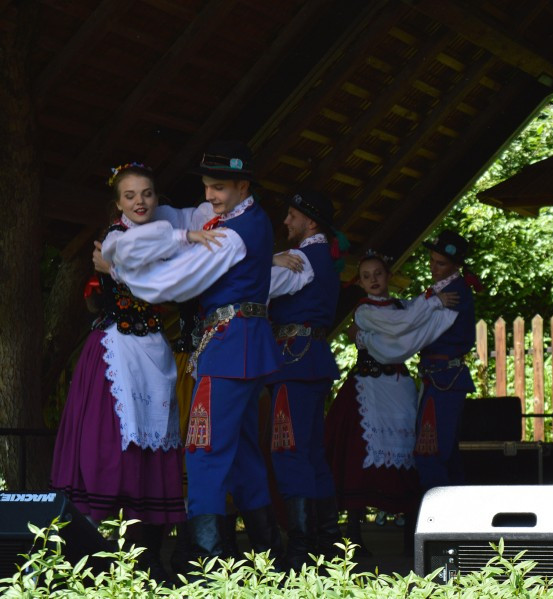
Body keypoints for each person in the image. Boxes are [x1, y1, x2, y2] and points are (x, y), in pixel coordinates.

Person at [107, 141, 284, 562]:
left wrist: (117, 271)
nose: (209, 196)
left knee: (202, 450)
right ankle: (270, 556)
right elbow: (180, 219)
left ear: (243, 185)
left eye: (218, 187)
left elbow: (174, 283)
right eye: (207, 186)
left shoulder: (231, 235)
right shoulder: (246, 220)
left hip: (229, 348)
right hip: (242, 345)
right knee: (241, 454)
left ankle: (207, 561)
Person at [51, 162, 221, 574]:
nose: (139, 202)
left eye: (146, 194)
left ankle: (147, 557)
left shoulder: (154, 236)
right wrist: (188, 236)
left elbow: (177, 272)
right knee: (111, 443)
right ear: (118, 203)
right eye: (130, 196)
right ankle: (83, 557)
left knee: (153, 442)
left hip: (153, 350)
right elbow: (141, 255)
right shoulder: (115, 238)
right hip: (116, 352)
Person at [324, 251, 458, 554]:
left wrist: (441, 301)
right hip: (367, 388)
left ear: (388, 276)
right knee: (359, 453)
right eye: (367, 276)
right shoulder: (365, 311)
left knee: (409, 450)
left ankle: (411, 534)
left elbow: (411, 319)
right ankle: (354, 535)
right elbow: (401, 325)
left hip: (398, 387)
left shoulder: (401, 306)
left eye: (378, 273)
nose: (373, 280)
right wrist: (434, 302)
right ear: (359, 281)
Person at [263, 189, 345, 569]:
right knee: (311, 454)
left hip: (294, 359)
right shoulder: (322, 257)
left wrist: (260, 259)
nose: (285, 222)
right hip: (312, 358)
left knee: (289, 451)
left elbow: (254, 286)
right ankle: (327, 543)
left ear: (310, 222)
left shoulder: (299, 257)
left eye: (292, 216)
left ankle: (301, 549)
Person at [413, 230, 478, 496]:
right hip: (437, 378)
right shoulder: (442, 291)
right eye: (431, 261)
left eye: (440, 263)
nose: (433, 268)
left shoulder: (454, 292)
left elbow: (419, 328)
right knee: (446, 451)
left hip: (444, 378)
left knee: (430, 450)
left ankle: (435, 517)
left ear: (455, 266)